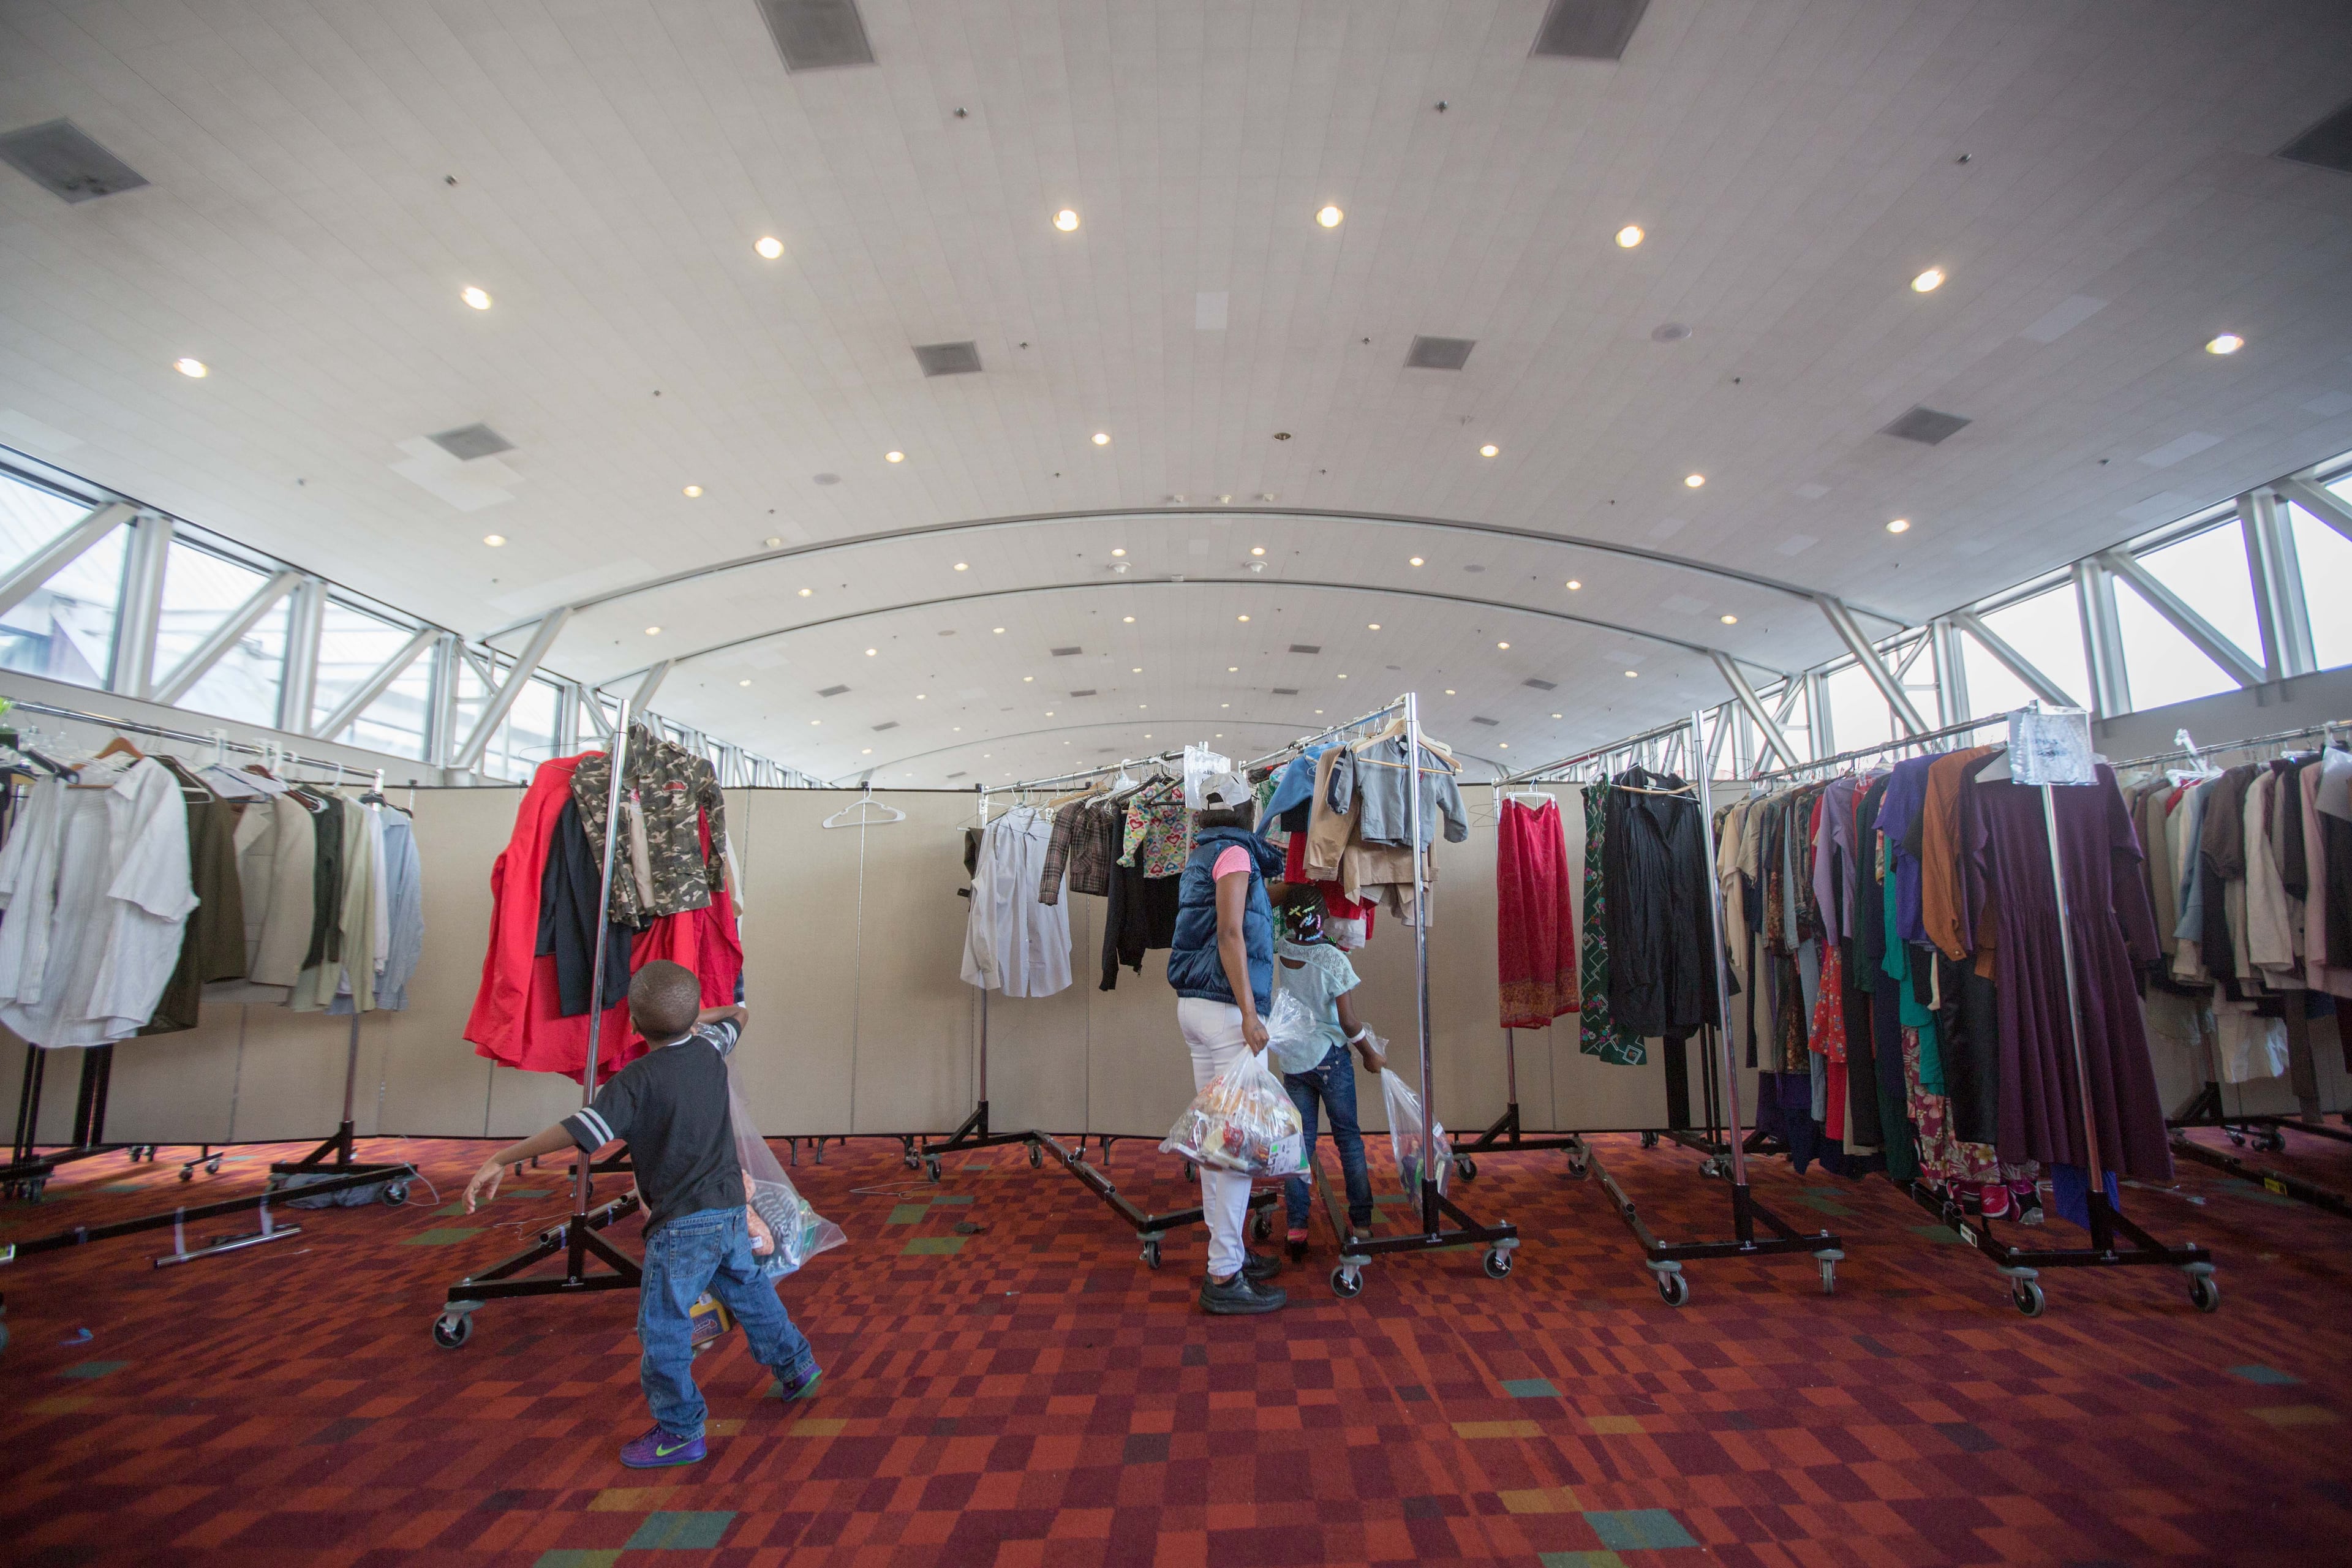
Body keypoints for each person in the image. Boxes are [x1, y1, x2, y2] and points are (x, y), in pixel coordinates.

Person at [465, 960, 820, 1469]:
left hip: (680, 1227)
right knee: (750, 1291)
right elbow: (739, 1014)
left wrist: (503, 1157)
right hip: (728, 1211)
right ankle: (796, 1366)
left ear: (632, 1024)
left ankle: (680, 1431)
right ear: (696, 1015)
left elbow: (576, 1129)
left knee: (664, 1327)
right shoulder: (709, 1048)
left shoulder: (635, 1082)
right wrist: (700, 1017)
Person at [1164, 770, 1289, 1314]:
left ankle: (1230, 1254)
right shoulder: (1237, 854)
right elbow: (1230, 932)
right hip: (1223, 1014)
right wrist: (1248, 1013)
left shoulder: (1201, 854)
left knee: (1218, 1147)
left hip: (1193, 1008)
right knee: (1235, 1150)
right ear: (1244, 811)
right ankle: (1223, 1274)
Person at [1272, 886, 1386, 1258]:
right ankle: (1363, 1223)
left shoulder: (1284, 948)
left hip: (1294, 1061)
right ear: (1322, 918)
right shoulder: (1333, 959)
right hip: (1331, 1059)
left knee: (1299, 1146)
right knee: (1348, 1140)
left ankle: (1297, 1227)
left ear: (1288, 919)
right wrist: (1370, 1055)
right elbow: (1348, 1021)